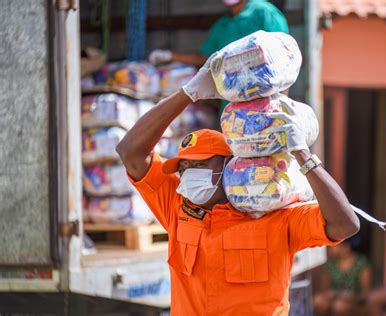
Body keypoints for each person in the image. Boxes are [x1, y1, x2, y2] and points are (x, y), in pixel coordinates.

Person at [116, 54, 360, 314]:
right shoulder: (177, 207)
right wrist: (188, 94)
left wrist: (302, 154)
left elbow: (346, 225)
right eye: (184, 167)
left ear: (231, 167)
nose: (188, 175)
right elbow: (130, 153)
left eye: (199, 165)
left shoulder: (275, 217)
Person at [148, 0, 289, 67]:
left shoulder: (264, 13)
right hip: (232, 105)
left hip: (264, 101)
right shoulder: (222, 25)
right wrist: (170, 55)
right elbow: (205, 57)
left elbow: (285, 55)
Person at [312, 240, 372, 316]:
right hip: (334, 298)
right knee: (318, 301)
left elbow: (366, 293)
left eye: (333, 246)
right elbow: (325, 289)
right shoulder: (330, 264)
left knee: (340, 306)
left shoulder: (361, 263)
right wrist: (333, 294)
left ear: (345, 247)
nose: (329, 249)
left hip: (354, 300)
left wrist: (352, 296)